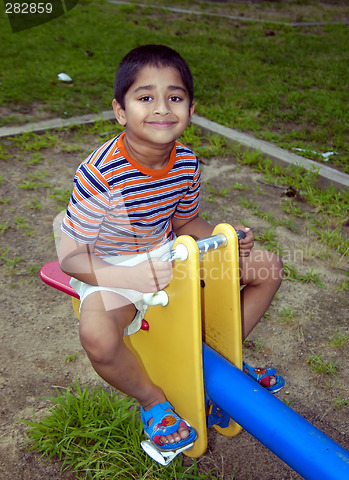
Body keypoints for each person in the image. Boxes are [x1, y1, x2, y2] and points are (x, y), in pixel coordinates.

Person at [59, 44, 284, 453]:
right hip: (111, 267)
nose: (162, 108)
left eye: (174, 97)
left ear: (191, 110)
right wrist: (127, 277)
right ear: (121, 111)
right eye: (146, 97)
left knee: (266, 268)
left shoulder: (185, 163)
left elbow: (184, 223)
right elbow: (72, 258)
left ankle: (217, 366)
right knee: (96, 335)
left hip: (168, 255)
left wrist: (226, 239)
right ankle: (153, 400)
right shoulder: (99, 174)